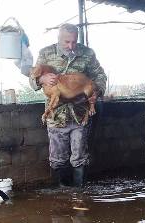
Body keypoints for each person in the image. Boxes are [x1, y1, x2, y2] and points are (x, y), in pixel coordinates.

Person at [29, 23, 107, 188]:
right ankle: (63, 194)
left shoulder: (87, 54)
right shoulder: (46, 53)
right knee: (58, 157)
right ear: (58, 38)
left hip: (80, 114)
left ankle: (79, 194)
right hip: (56, 115)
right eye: (66, 42)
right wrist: (41, 80)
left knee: (80, 156)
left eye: (73, 42)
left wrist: (96, 92)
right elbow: (33, 77)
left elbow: (100, 75)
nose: (71, 46)